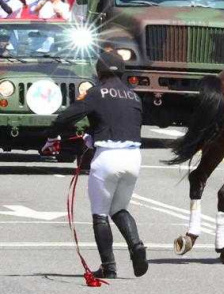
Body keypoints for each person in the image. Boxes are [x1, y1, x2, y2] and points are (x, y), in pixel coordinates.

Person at [41, 51, 147, 279]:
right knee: (119, 209)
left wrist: (51, 136)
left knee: (100, 214)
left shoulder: (96, 93)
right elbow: (120, 122)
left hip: (107, 157)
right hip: (133, 157)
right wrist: (93, 134)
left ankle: (109, 267)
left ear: (99, 73)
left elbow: (67, 117)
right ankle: (136, 245)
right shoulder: (134, 96)